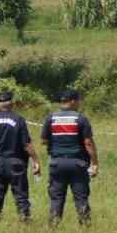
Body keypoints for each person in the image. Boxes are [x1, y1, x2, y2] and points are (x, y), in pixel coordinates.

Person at [0, 90, 42, 225]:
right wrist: (36, 161)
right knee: (20, 195)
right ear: (12, 104)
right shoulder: (19, 120)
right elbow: (26, 144)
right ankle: (25, 221)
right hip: (16, 162)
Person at [41, 89, 99, 226]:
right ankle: (85, 227)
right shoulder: (81, 119)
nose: (79, 103)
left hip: (57, 163)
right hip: (78, 164)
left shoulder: (50, 118)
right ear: (73, 101)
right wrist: (94, 163)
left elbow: (43, 141)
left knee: (56, 198)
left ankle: (53, 227)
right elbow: (88, 143)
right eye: (78, 101)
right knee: (81, 198)